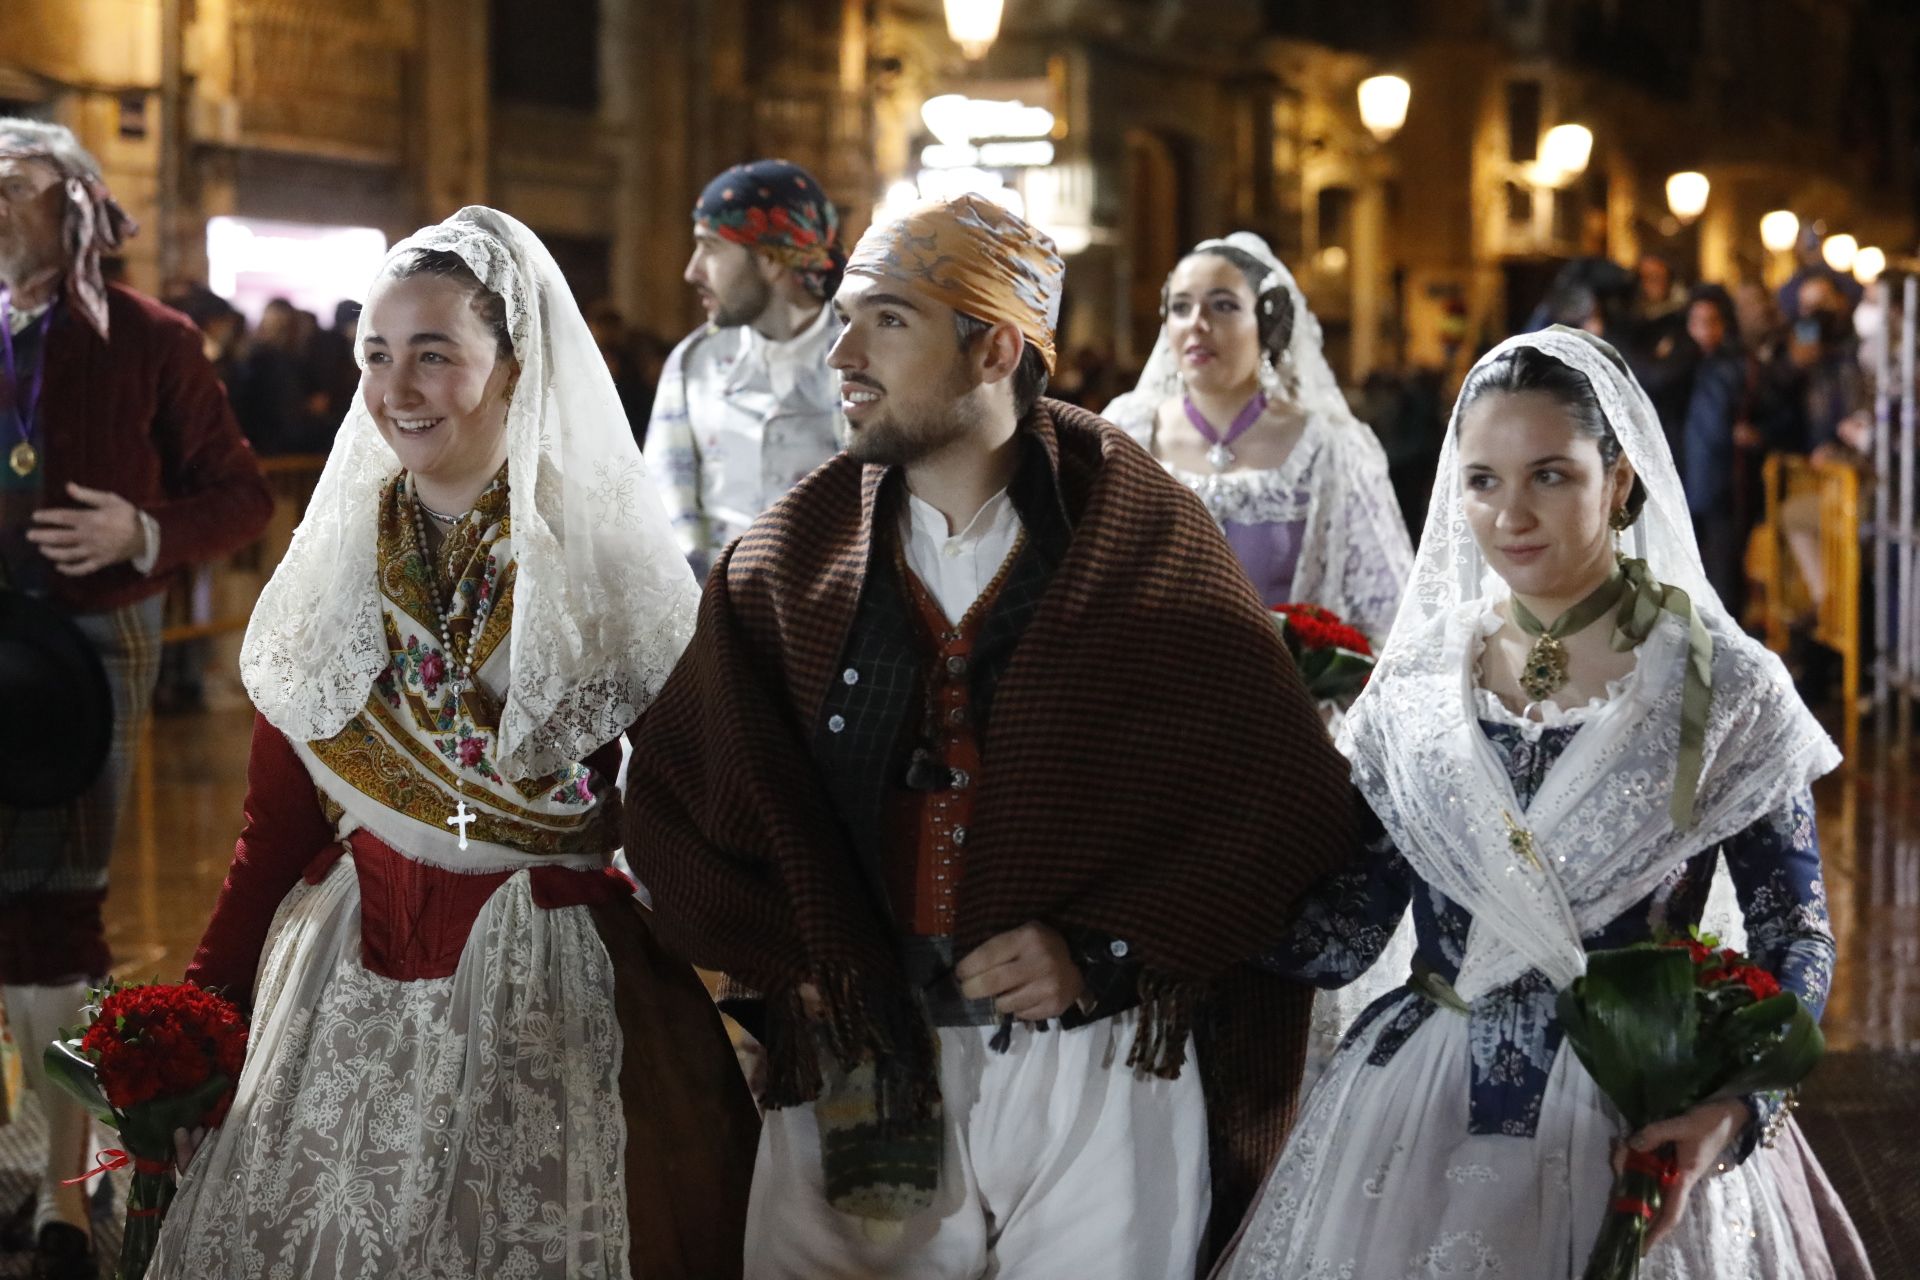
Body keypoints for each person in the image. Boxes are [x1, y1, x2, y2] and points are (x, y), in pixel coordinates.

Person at [623, 194, 1358, 1279]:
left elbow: (1284, 805)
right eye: (847, 317)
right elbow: (675, 796)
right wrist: (796, 953)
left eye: (888, 320)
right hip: (860, 1068)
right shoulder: (783, 564)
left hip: (1093, 1069)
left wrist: (1107, 948)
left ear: (995, 346)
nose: (842, 350)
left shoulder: (1146, 539)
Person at [146, 207, 759, 1279]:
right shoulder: (336, 564)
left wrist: (790, 997)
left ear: (516, 368)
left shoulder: (608, 580)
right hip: (345, 967)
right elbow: (272, 826)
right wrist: (202, 1015)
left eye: (436, 355)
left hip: (557, 986)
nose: (397, 389)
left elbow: (699, 812)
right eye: (378, 356)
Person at [1215, 327, 1873, 1279]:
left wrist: (1729, 1116)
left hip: (1629, 1109)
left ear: (1621, 481)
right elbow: (1344, 936)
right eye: (1482, 480)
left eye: (1550, 476)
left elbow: (1794, 935)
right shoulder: (1416, 689)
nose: (1510, 514)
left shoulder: (1725, 687)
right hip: (1415, 1113)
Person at [0, 117, 272, 1280]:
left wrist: (142, 529)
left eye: (17, 188)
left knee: (57, 908)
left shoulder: (156, 340)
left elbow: (241, 495)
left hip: (86, 639)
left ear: (82, 209)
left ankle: (66, 1195)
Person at [1102, 233, 1411, 648]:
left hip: (1286, 700)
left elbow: (1386, 614)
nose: (1197, 322)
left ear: (1267, 323)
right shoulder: (1124, 434)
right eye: (1181, 307)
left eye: (1223, 305)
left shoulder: (1327, 446)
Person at [645, 159, 848, 577]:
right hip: (715, 620)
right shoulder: (693, 364)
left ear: (772, 259)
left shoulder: (860, 361)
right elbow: (664, 507)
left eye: (712, 248)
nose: (692, 270)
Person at [1677, 285, 1755, 614]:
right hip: (1682, 482)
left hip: (1724, 486)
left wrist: (1756, 434)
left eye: (1712, 321)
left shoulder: (1738, 366)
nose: (1705, 331)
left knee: (1724, 578)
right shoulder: (1675, 365)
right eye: (1697, 322)